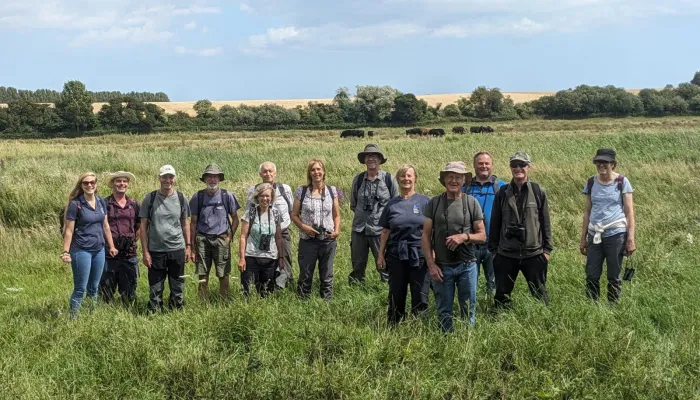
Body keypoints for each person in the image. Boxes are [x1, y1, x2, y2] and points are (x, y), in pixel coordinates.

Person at [421, 161, 486, 332]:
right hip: (441, 267)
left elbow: (482, 235)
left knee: (468, 309)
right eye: (450, 177)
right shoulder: (434, 203)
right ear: (444, 180)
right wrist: (431, 265)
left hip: (467, 265)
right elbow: (426, 235)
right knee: (443, 310)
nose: (454, 180)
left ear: (464, 181)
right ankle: (445, 344)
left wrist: (464, 237)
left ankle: (467, 341)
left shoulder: (471, 203)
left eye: (458, 177)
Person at [489, 152, 553, 310]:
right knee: (502, 295)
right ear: (510, 168)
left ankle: (543, 320)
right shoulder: (502, 192)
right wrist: (494, 251)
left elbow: (545, 222)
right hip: (505, 253)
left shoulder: (538, 191)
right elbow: (495, 222)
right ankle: (500, 321)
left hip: (534, 253)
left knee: (540, 293)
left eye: (522, 165)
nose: (518, 168)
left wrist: (546, 250)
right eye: (514, 165)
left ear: (529, 167)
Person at [377, 164, 431, 326]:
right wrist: (380, 254)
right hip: (396, 255)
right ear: (398, 180)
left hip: (420, 255)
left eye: (409, 176)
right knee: (396, 293)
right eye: (402, 176)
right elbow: (385, 231)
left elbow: (432, 230)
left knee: (420, 292)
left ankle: (418, 326)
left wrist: (433, 253)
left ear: (415, 179)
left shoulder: (425, 202)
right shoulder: (391, 204)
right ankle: (394, 326)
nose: (406, 179)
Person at [580, 148, 636, 302]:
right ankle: (592, 305)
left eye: (605, 162)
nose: (601, 165)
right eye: (598, 162)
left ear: (613, 164)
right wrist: (583, 238)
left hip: (616, 234)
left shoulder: (622, 182)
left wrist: (630, 238)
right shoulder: (591, 182)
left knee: (614, 274)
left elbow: (629, 213)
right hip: (594, 234)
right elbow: (587, 211)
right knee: (591, 273)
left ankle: (613, 308)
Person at [61, 172, 118, 319]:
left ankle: (90, 316)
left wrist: (111, 246)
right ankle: (73, 318)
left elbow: (105, 226)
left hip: (99, 250)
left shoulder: (100, 201)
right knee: (80, 288)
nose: (89, 185)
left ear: (96, 184)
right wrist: (65, 252)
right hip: (81, 250)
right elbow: (69, 230)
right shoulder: (76, 204)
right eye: (86, 183)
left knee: (94, 287)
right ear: (81, 185)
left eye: (92, 182)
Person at [139, 165, 191, 312]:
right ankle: (155, 311)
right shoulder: (150, 198)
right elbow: (143, 226)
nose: (167, 180)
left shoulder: (181, 198)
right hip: (156, 250)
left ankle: (176, 309)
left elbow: (185, 223)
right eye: (164, 177)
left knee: (177, 283)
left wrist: (188, 246)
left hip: (177, 249)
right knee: (155, 284)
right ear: (159, 178)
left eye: (170, 177)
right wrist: (145, 252)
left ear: (174, 179)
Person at [291, 158, 341, 300]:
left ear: (324, 171)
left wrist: (337, 231)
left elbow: (336, 215)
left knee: (327, 274)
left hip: (327, 239)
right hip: (308, 239)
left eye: (319, 169)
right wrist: (304, 227)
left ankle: (327, 303)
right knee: (306, 274)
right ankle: (302, 301)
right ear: (309, 173)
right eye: (313, 170)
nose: (316, 172)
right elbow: (294, 215)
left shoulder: (332, 191)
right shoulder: (302, 191)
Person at [349, 144, 398, 284]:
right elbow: (353, 204)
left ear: (380, 160)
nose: (371, 159)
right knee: (357, 265)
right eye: (368, 156)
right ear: (364, 160)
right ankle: (357, 291)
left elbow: (395, 206)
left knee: (384, 265)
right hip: (359, 229)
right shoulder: (357, 180)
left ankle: (388, 292)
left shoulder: (389, 179)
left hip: (380, 231)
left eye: (374, 156)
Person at [190, 164, 240, 299]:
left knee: (223, 274)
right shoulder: (198, 197)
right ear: (205, 179)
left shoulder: (227, 195)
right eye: (209, 177)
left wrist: (230, 236)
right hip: (202, 240)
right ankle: (202, 304)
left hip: (221, 239)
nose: (212, 180)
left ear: (219, 178)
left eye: (215, 177)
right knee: (202, 274)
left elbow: (235, 219)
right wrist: (192, 246)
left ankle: (224, 302)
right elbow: (193, 223)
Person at [462, 151, 507, 297]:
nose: (484, 166)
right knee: (470, 282)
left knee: (494, 282)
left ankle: (493, 311)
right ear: (474, 166)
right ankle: (471, 311)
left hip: (494, 245)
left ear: (492, 165)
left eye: (487, 163)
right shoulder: (465, 188)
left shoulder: (502, 187)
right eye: (480, 163)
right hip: (470, 244)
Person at [247, 162, 294, 289]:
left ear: (275, 173)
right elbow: (249, 213)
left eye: (270, 171)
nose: (267, 174)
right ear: (260, 174)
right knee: (265, 263)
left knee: (285, 261)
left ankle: (285, 288)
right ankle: (267, 288)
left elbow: (292, 210)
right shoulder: (253, 190)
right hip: (260, 235)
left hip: (282, 233)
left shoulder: (285, 189)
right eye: (265, 171)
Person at [99, 171, 141, 306]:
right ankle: (105, 313)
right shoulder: (104, 203)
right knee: (106, 290)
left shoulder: (134, 204)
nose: (121, 184)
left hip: (129, 253)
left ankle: (126, 312)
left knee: (129, 290)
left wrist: (134, 239)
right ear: (112, 184)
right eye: (118, 181)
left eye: (124, 181)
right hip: (108, 254)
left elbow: (140, 225)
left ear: (128, 184)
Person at [238, 183, 283, 297]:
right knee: (248, 290)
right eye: (262, 196)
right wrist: (242, 258)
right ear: (257, 197)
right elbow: (243, 236)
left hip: (270, 258)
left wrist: (281, 257)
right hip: (252, 256)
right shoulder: (250, 213)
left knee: (266, 292)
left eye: (268, 196)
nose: (265, 199)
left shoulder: (276, 214)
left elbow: (278, 237)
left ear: (272, 198)